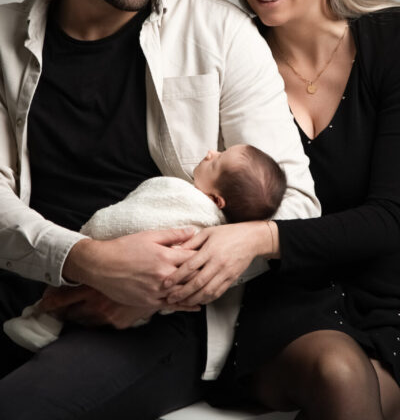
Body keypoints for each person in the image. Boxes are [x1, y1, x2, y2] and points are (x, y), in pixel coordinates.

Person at [0, 0, 319, 418]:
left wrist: (157, 288)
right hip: (24, 287)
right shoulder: (2, 41)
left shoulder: (221, 34)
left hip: (155, 325)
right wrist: (86, 262)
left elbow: (295, 202)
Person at [176, 0, 400, 419]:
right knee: (338, 372)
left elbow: (392, 216)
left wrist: (261, 236)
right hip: (284, 305)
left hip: (385, 298)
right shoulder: (234, 58)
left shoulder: (391, 43)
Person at [4, 144, 286, 356]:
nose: (211, 152)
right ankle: (45, 321)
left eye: (218, 160)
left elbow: (139, 214)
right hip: (54, 257)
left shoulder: (189, 205)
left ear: (215, 200)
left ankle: (42, 320)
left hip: (148, 308)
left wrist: (152, 290)